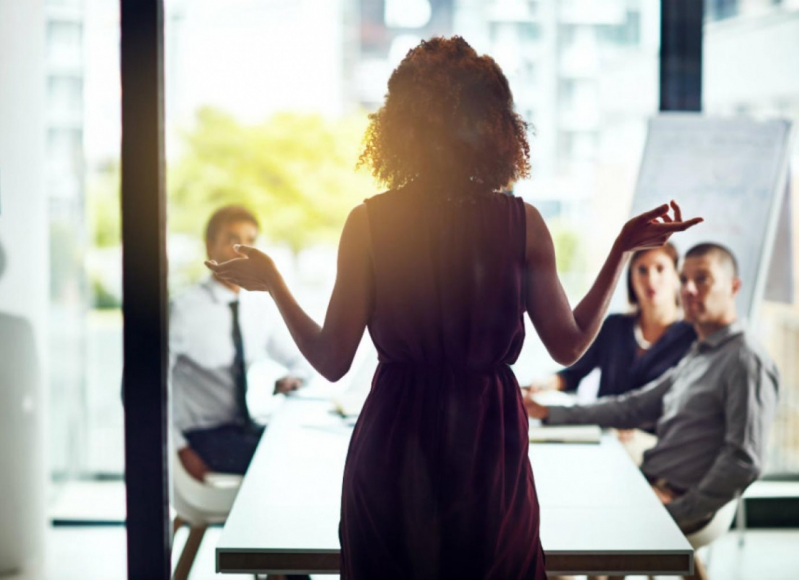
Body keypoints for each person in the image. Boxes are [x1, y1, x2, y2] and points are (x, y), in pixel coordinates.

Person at [207, 37, 701, 580]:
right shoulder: (522, 223)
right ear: (491, 124)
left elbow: (332, 361)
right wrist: (620, 250)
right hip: (488, 445)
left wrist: (276, 282)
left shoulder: (369, 224)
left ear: (403, 125)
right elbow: (568, 343)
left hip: (394, 439)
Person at [525, 243, 779, 535]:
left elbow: (744, 461)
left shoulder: (745, 359)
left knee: (558, 530)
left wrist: (677, 511)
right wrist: (550, 412)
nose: (689, 289)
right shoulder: (702, 352)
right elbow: (633, 406)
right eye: (684, 279)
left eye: (703, 279)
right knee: (552, 507)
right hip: (649, 481)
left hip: (674, 499)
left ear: (734, 287)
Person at [171, 205, 311, 482]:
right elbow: (144, 389)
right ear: (209, 246)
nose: (243, 249)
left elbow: (302, 359)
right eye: (232, 239)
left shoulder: (257, 307)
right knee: (284, 461)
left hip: (241, 429)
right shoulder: (183, 311)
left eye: (251, 241)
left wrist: (295, 378)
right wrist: (178, 448)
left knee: (303, 445)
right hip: (201, 437)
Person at [527, 242, 696, 401]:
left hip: (656, 432)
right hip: (604, 429)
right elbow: (572, 374)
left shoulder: (692, 336)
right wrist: (544, 385)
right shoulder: (614, 327)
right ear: (631, 278)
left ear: (676, 276)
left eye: (660, 269)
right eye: (642, 270)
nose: (651, 279)